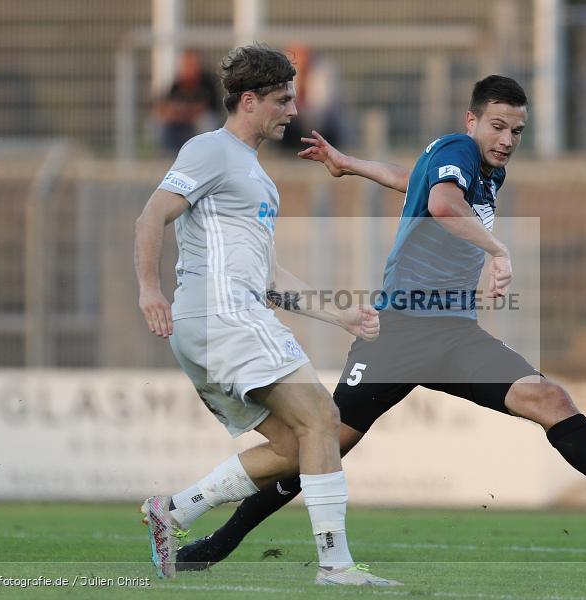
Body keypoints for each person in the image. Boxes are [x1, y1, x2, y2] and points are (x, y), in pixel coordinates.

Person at [170, 75, 586, 572]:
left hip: (453, 334)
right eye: (497, 126)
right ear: (471, 122)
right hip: (398, 332)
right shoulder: (457, 150)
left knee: (551, 400)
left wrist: (348, 163)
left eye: (517, 130)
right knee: (322, 443)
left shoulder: (484, 169)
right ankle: (217, 543)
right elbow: (442, 203)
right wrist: (497, 250)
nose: (507, 139)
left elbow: (416, 183)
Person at [133, 42, 399, 587]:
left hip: (220, 320)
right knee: (323, 419)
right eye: (282, 100)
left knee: (297, 443)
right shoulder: (210, 150)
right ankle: (336, 566)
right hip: (220, 314)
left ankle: (176, 510)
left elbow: (272, 278)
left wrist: (339, 316)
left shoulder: (255, 176)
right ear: (249, 101)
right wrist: (148, 290)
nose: (293, 111)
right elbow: (151, 215)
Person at [154, 50, 223, 153]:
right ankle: (169, 154)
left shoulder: (207, 83)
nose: (188, 68)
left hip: (199, 121)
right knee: (160, 123)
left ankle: (206, 154)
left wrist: (187, 111)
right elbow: (165, 106)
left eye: (191, 64)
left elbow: (210, 108)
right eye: (185, 64)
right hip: (181, 121)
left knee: (206, 122)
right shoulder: (177, 85)